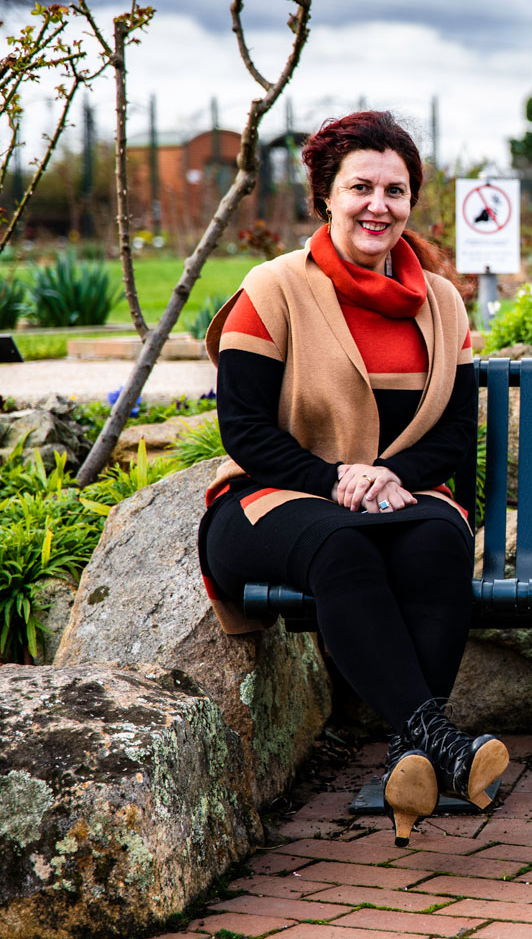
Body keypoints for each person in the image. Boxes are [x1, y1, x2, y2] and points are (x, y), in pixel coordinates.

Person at [198, 111, 506, 847]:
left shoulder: (442, 301)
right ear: (325, 196)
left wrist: (386, 475)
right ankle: (446, 745)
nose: (379, 205)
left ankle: (413, 761)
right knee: (343, 548)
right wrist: (337, 478)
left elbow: (458, 436)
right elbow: (242, 428)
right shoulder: (272, 289)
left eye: (395, 190)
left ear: (412, 201)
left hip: (396, 497)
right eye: (360, 186)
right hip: (267, 499)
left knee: (438, 542)